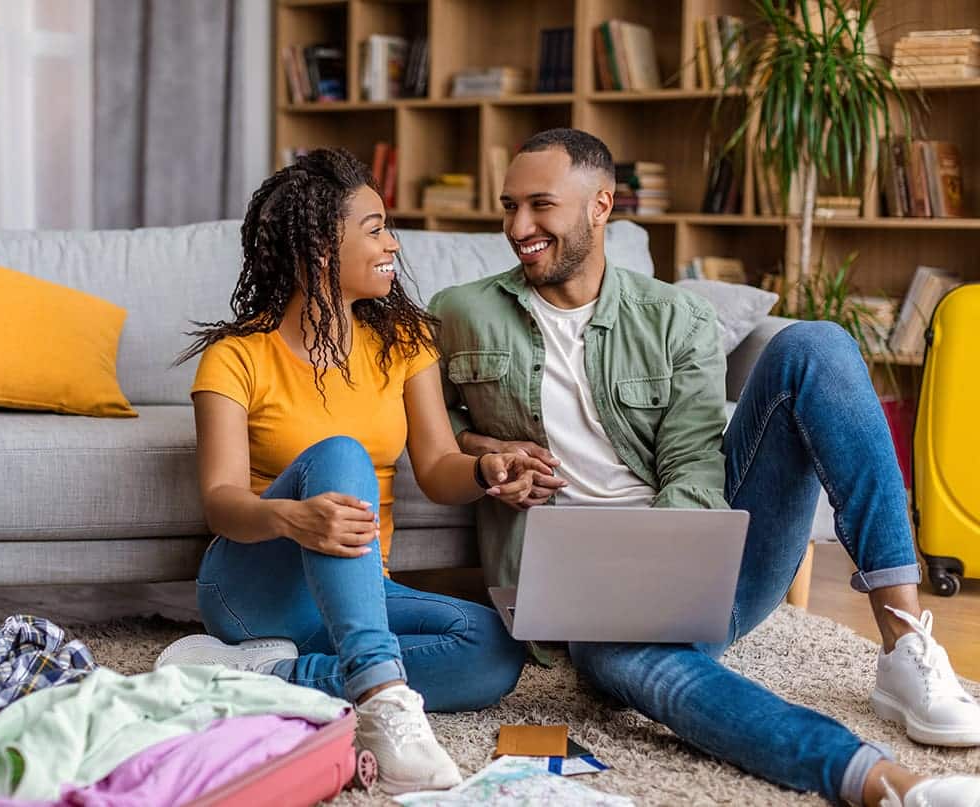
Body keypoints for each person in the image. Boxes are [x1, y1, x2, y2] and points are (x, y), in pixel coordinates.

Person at [429, 127, 980, 807]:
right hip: (586, 607)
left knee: (816, 343)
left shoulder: (674, 315)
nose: (519, 226)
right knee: (636, 664)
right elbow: (428, 425)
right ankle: (881, 781)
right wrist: (485, 447)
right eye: (509, 206)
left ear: (601, 206)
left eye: (540, 205)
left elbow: (693, 464)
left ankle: (903, 644)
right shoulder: (460, 312)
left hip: (703, 565)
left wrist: (666, 573)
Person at [156, 148, 530, 795]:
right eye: (376, 228)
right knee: (340, 453)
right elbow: (220, 500)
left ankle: (268, 678)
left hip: (358, 588)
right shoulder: (237, 356)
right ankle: (383, 698)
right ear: (322, 249)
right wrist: (289, 516)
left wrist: (486, 469)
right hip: (254, 588)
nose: (393, 243)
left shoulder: (406, 341)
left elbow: (440, 469)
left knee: (495, 648)